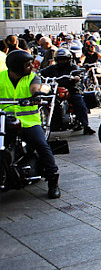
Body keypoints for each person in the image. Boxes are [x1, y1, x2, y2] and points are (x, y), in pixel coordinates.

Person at [0, 50, 59, 198]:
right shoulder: (1, 77)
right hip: (4, 122)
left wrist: (37, 95)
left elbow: (38, 87)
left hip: (28, 123)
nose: (31, 66)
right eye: (28, 64)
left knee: (42, 146)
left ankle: (53, 181)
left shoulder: (32, 77)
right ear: (17, 66)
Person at [41, 49, 94, 135]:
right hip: (55, 90)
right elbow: (42, 72)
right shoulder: (53, 68)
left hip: (71, 90)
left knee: (79, 102)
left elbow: (78, 73)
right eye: (60, 59)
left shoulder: (73, 67)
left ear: (69, 59)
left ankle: (86, 125)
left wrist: (76, 77)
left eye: (64, 59)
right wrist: (36, 74)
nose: (62, 61)